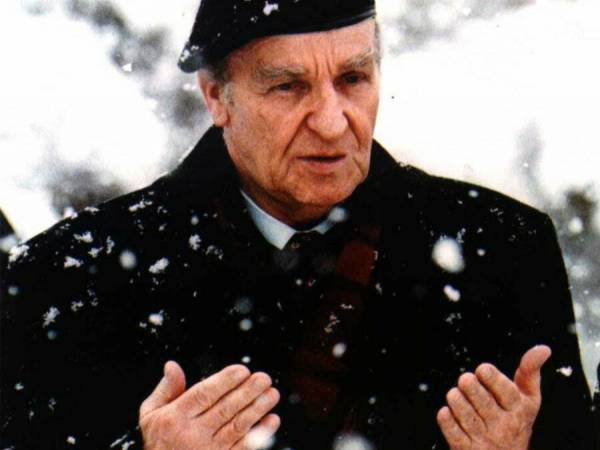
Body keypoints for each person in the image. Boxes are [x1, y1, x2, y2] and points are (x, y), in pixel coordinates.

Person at [1, 0, 594, 448]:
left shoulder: (503, 247)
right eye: (289, 87)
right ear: (216, 97)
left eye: (353, 79)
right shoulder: (72, 275)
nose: (333, 123)